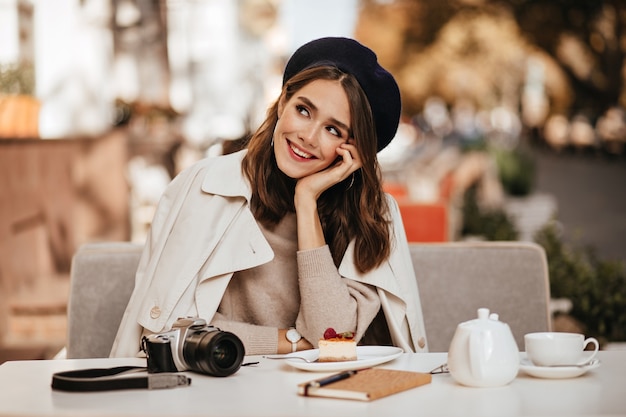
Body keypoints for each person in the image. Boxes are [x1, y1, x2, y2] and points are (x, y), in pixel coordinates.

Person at [110, 37, 427, 357]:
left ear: (353, 149)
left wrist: (307, 204)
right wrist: (290, 341)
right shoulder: (206, 186)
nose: (309, 136)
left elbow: (329, 339)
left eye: (334, 130)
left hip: (329, 399)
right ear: (282, 102)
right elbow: (169, 329)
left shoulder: (371, 215)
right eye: (304, 110)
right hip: (222, 392)